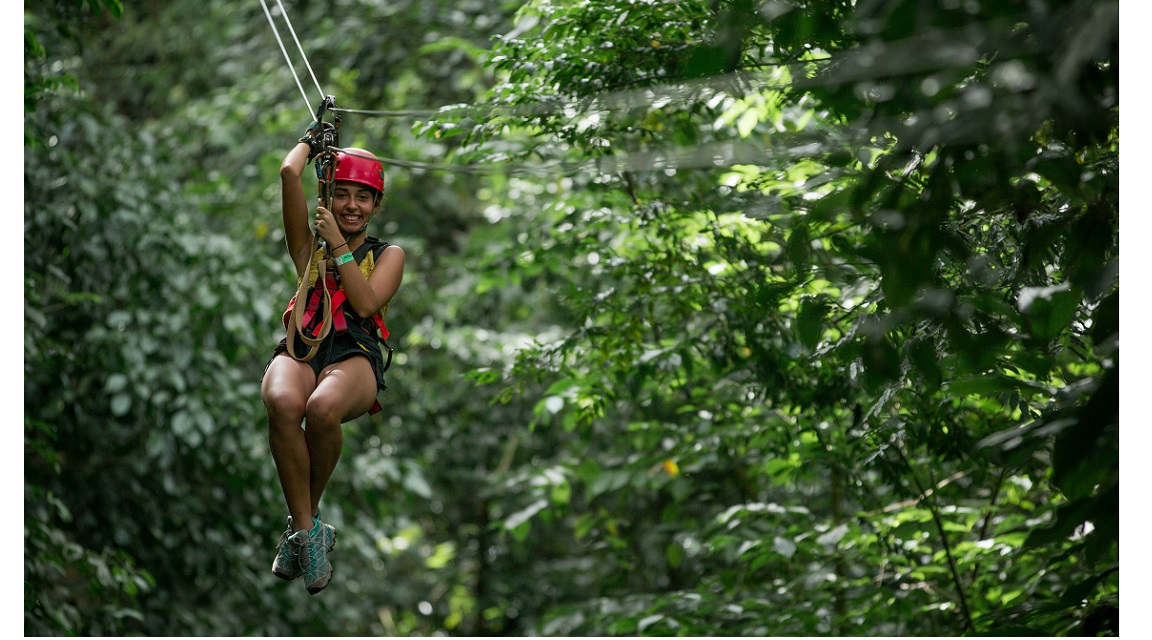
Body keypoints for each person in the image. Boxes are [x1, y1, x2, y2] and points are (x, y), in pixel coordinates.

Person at [260, 124, 404, 595]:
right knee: (280, 400)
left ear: (376, 206)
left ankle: (305, 523)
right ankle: (306, 529)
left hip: (355, 353)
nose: (351, 206)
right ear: (328, 196)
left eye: (362, 198)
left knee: (322, 410)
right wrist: (311, 141)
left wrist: (338, 245)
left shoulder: (390, 255)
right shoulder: (309, 250)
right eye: (340, 194)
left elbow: (364, 304)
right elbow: (287, 172)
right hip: (306, 343)